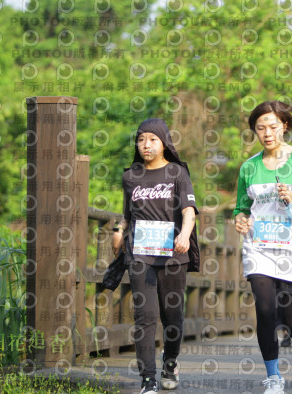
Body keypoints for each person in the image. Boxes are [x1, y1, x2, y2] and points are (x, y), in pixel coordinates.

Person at [234, 101, 292, 394]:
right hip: (260, 249)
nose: (267, 133)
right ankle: (274, 377)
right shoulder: (249, 167)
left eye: (273, 126)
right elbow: (241, 208)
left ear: (285, 126)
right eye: (260, 128)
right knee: (265, 310)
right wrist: (240, 221)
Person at [112, 118, 198, 393]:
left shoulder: (177, 173)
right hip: (140, 254)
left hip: (173, 256)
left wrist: (184, 234)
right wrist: (118, 230)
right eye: (141, 139)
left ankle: (170, 363)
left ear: (164, 143)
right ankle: (148, 379)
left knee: (172, 317)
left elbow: (188, 210)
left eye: (152, 139)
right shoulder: (130, 176)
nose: (145, 145)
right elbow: (127, 213)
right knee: (145, 317)